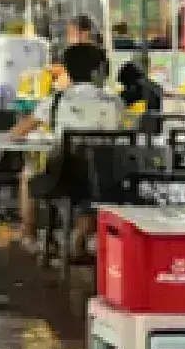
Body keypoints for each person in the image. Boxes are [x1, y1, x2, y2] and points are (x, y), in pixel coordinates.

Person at [11, 40, 124, 241]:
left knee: (28, 174)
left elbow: (18, 132)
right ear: (98, 71)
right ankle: (79, 240)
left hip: (62, 179)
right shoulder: (115, 103)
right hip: (104, 180)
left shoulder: (56, 100)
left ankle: (28, 234)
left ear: (67, 71)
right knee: (90, 182)